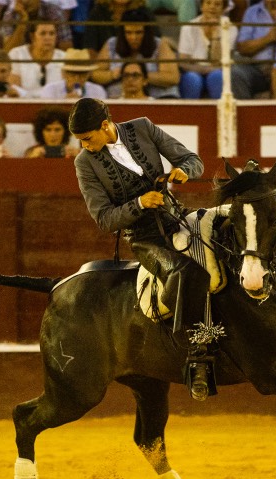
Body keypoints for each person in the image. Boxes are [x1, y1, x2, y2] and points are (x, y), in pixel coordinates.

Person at [67, 98, 211, 400]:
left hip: (178, 218)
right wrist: (140, 204)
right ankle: (197, 358)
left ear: (105, 125)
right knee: (185, 273)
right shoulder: (84, 163)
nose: (84, 146)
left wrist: (185, 171)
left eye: (88, 138)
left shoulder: (142, 127)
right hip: (145, 237)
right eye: (80, 141)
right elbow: (104, 219)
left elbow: (193, 160)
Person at [92, 9, 181, 99]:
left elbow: (173, 78)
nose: (133, 37)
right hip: (118, 100)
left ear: (146, 32)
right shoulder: (112, 44)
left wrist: (141, 75)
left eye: (138, 32)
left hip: (158, 99)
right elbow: (95, 74)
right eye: (128, 32)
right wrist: (113, 74)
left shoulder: (159, 45)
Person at [178, 0, 238, 99]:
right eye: (208, 3)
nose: (212, 7)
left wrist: (215, 34)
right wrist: (207, 69)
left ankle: (220, 108)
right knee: (192, 79)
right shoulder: (188, 27)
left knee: (216, 76)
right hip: (193, 72)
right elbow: (184, 63)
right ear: (201, 6)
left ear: (223, 9)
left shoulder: (231, 29)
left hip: (215, 71)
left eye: (217, 4)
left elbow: (220, 62)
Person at [8, 22, 66, 96]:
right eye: (43, 33)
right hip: (24, 101)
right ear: (32, 37)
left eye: (52, 33)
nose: (48, 38)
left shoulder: (63, 57)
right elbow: (15, 88)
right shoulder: (17, 54)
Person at [82, 0, 155, 59]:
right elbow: (90, 48)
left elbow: (155, 44)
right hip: (106, 67)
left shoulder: (145, 12)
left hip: (143, 66)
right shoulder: (97, 12)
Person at [0, 0, 73, 52]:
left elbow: (66, 48)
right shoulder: (11, 15)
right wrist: (23, 21)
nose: (25, 2)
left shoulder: (54, 12)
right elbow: (9, 52)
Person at [38, 47, 108, 99]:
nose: (77, 78)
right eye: (72, 73)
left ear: (88, 74)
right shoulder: (50, 90)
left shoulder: (97, 91)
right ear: (63, 74)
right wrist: (64, 103)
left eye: (81, 74)